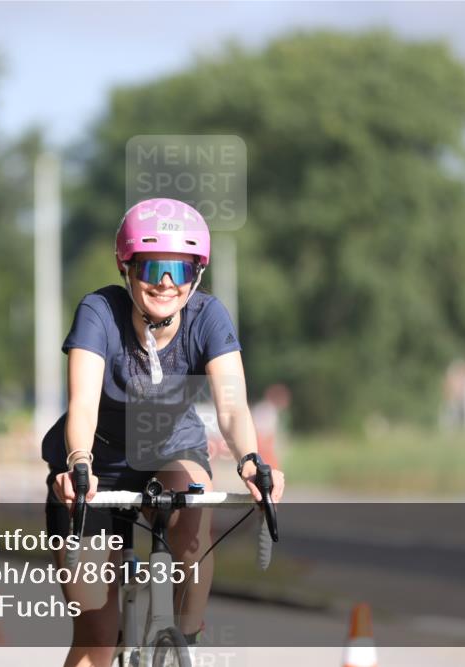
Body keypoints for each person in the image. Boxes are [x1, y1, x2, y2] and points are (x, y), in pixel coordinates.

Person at [43, 197, 285, 666]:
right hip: (96, 464)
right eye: (154, 267)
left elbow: (232, 408)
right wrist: (78, 465)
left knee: (194, 496)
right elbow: (84, 406)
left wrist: (252, 461)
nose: (167, 283)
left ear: (197, 273)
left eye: (181, 267)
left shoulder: (208, 318)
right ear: (127, 266)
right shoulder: (99, 312)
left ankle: (185, 642)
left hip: (170, 448)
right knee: (96, 635)